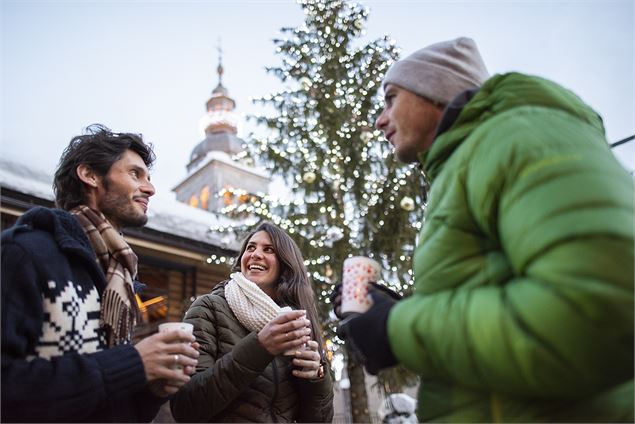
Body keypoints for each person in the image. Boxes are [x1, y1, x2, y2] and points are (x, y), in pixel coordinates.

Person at [334, 37, 634, 422]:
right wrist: (393, 313)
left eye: (391, 98)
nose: (379, 119)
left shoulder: (521, 136)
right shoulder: (467, 165)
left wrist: (398, 329)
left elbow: (604, 311)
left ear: (437, 92)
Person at [1, 124, 200, 422]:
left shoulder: (119, 277)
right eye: (135, 174)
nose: (150, 188)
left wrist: (151, 389)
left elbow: (114, 406)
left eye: (149, 177)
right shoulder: (24, 253)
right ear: (90, 175)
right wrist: (133, 363)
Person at [170, 222, 334, 423]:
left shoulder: (297, 321)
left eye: (268, 249)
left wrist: (317, 377)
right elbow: (185, 407)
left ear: (286, 264)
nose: (255, 254)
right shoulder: (209, 308)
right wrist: (260, 347)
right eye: (250, 247)